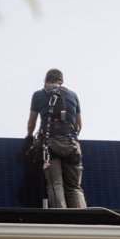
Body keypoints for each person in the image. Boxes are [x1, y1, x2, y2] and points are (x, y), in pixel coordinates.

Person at [26, 68, 87, 208]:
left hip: (50, 145)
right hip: (72, 145)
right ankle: (82, 221)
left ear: (46, 81)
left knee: (56, 185)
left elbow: (31, 123)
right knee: (74, 188)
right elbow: (79, 125)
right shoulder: (73, 95)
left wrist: (29, 136)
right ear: (61, 81)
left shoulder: (38, 95)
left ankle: (62, 222)